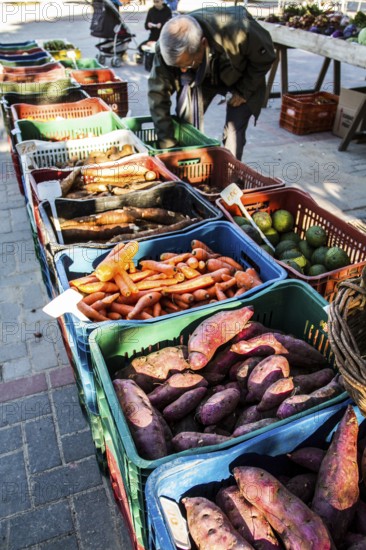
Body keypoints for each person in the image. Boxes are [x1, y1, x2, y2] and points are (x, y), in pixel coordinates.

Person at [147, 6, 276, 160]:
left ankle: (230, 173)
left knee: (234, 132)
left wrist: (244, 90)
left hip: (242, 73)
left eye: (187, 64)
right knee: (187, 124)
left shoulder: (239, 30)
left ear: (203, 43)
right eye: (177, 67)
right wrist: (168, 147)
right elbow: (157, 95)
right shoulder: (166, 46)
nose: (182, 71)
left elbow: (265, 57)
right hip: (202, 76)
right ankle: (189, 166)